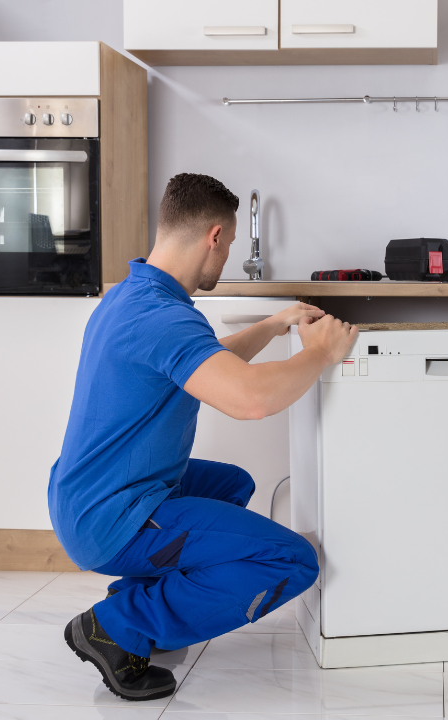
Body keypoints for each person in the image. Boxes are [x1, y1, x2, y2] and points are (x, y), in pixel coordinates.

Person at [48, 172, 357, 701]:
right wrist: (321, 353)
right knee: (289, 560)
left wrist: (275, 322)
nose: (227, 258)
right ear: (214, 236)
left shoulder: (135, 295)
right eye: (230, 245)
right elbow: (249, 399)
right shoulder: (162, 316)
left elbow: (209, 363)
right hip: (111, 517)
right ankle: (116, 626)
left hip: (89, 496)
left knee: (230, 486)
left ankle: (149, 603)